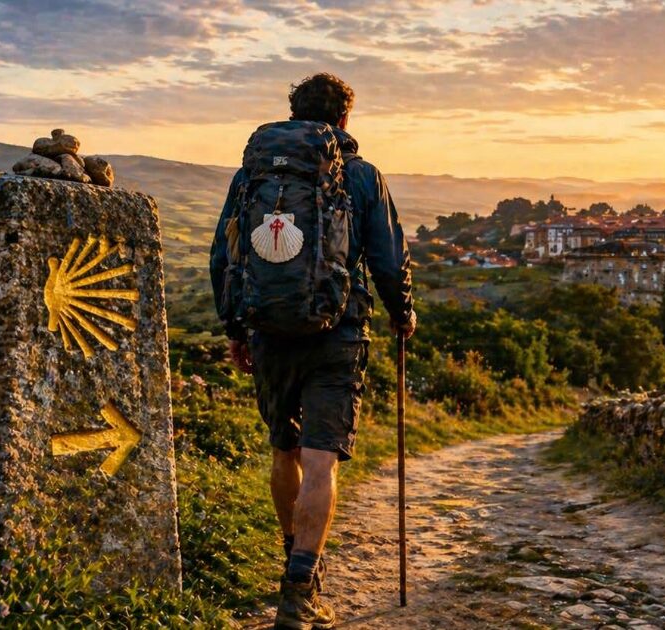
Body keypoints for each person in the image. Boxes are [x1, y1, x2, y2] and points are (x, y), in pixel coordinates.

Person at [210, 72, 416, 630]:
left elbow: (222, 256)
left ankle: (290, 556)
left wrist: (235, 328)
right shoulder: (362, 176)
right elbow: (388, 262)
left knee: (285, 451)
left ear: (294, 113)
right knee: (321, 459)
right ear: (344, 120)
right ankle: (300, 587)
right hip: (339, 333)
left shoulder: (250, 175)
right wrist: (403, 315)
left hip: (269, 331)